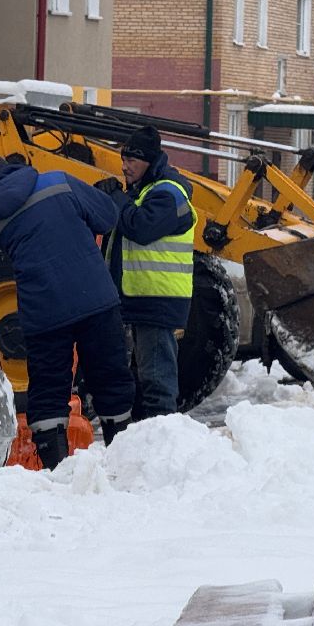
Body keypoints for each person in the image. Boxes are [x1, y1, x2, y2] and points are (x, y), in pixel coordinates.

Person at [0, 153, 134, 470]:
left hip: (43, 312)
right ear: (10, 166)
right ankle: (123, 458)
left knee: (47, 388)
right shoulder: (57, 180)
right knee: (111, 380)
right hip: (94, 298)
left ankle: (56, 468)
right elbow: (107, 217)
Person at [106, 124, 195, 420]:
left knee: (157, 381)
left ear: (149, 161)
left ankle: (162, 438)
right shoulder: (144, 190)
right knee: (146, 379)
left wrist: (118, 200)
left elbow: (140, 228)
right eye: (124, 159)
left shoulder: (168, 193)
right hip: (142, 298)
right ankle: (148, 437)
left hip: (159, 299)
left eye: (132, 160)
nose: (125, 166)